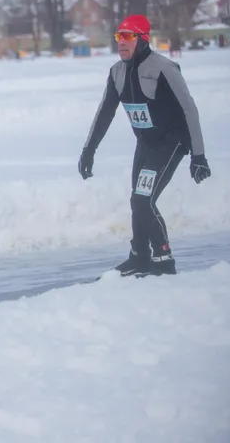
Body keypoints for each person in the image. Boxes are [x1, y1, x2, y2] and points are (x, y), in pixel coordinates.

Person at [78, 15, 211, 277]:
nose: (121, 42)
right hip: (146, 144)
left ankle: (163, 258)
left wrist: (199, 156)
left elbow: (189, 109)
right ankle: (139, 256)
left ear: (142, 39)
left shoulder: (164, 68)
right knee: (137, 200)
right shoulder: (116, 72)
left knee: (143, 200)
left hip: (170, 142)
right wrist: (88, 150)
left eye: (128, 36)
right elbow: (104, 113)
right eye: (118, 36)